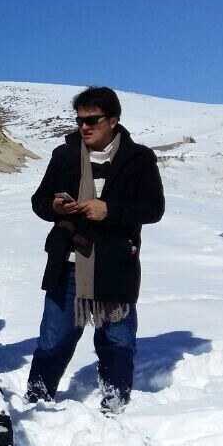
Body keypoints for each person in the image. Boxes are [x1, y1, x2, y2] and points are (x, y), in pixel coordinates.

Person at [24, 87, 165, 416]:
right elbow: (39, 201)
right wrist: (55, 206)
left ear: (113, 121)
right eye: (79, 120)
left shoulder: (138, 159)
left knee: (117, 341)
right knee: (53, 340)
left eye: (92, 120)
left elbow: (153, 208)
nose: (84, 127)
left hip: (114, 264)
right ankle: (36, 402)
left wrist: (109, 210)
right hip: (68, 263)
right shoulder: (65, 156)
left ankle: (115, 405)